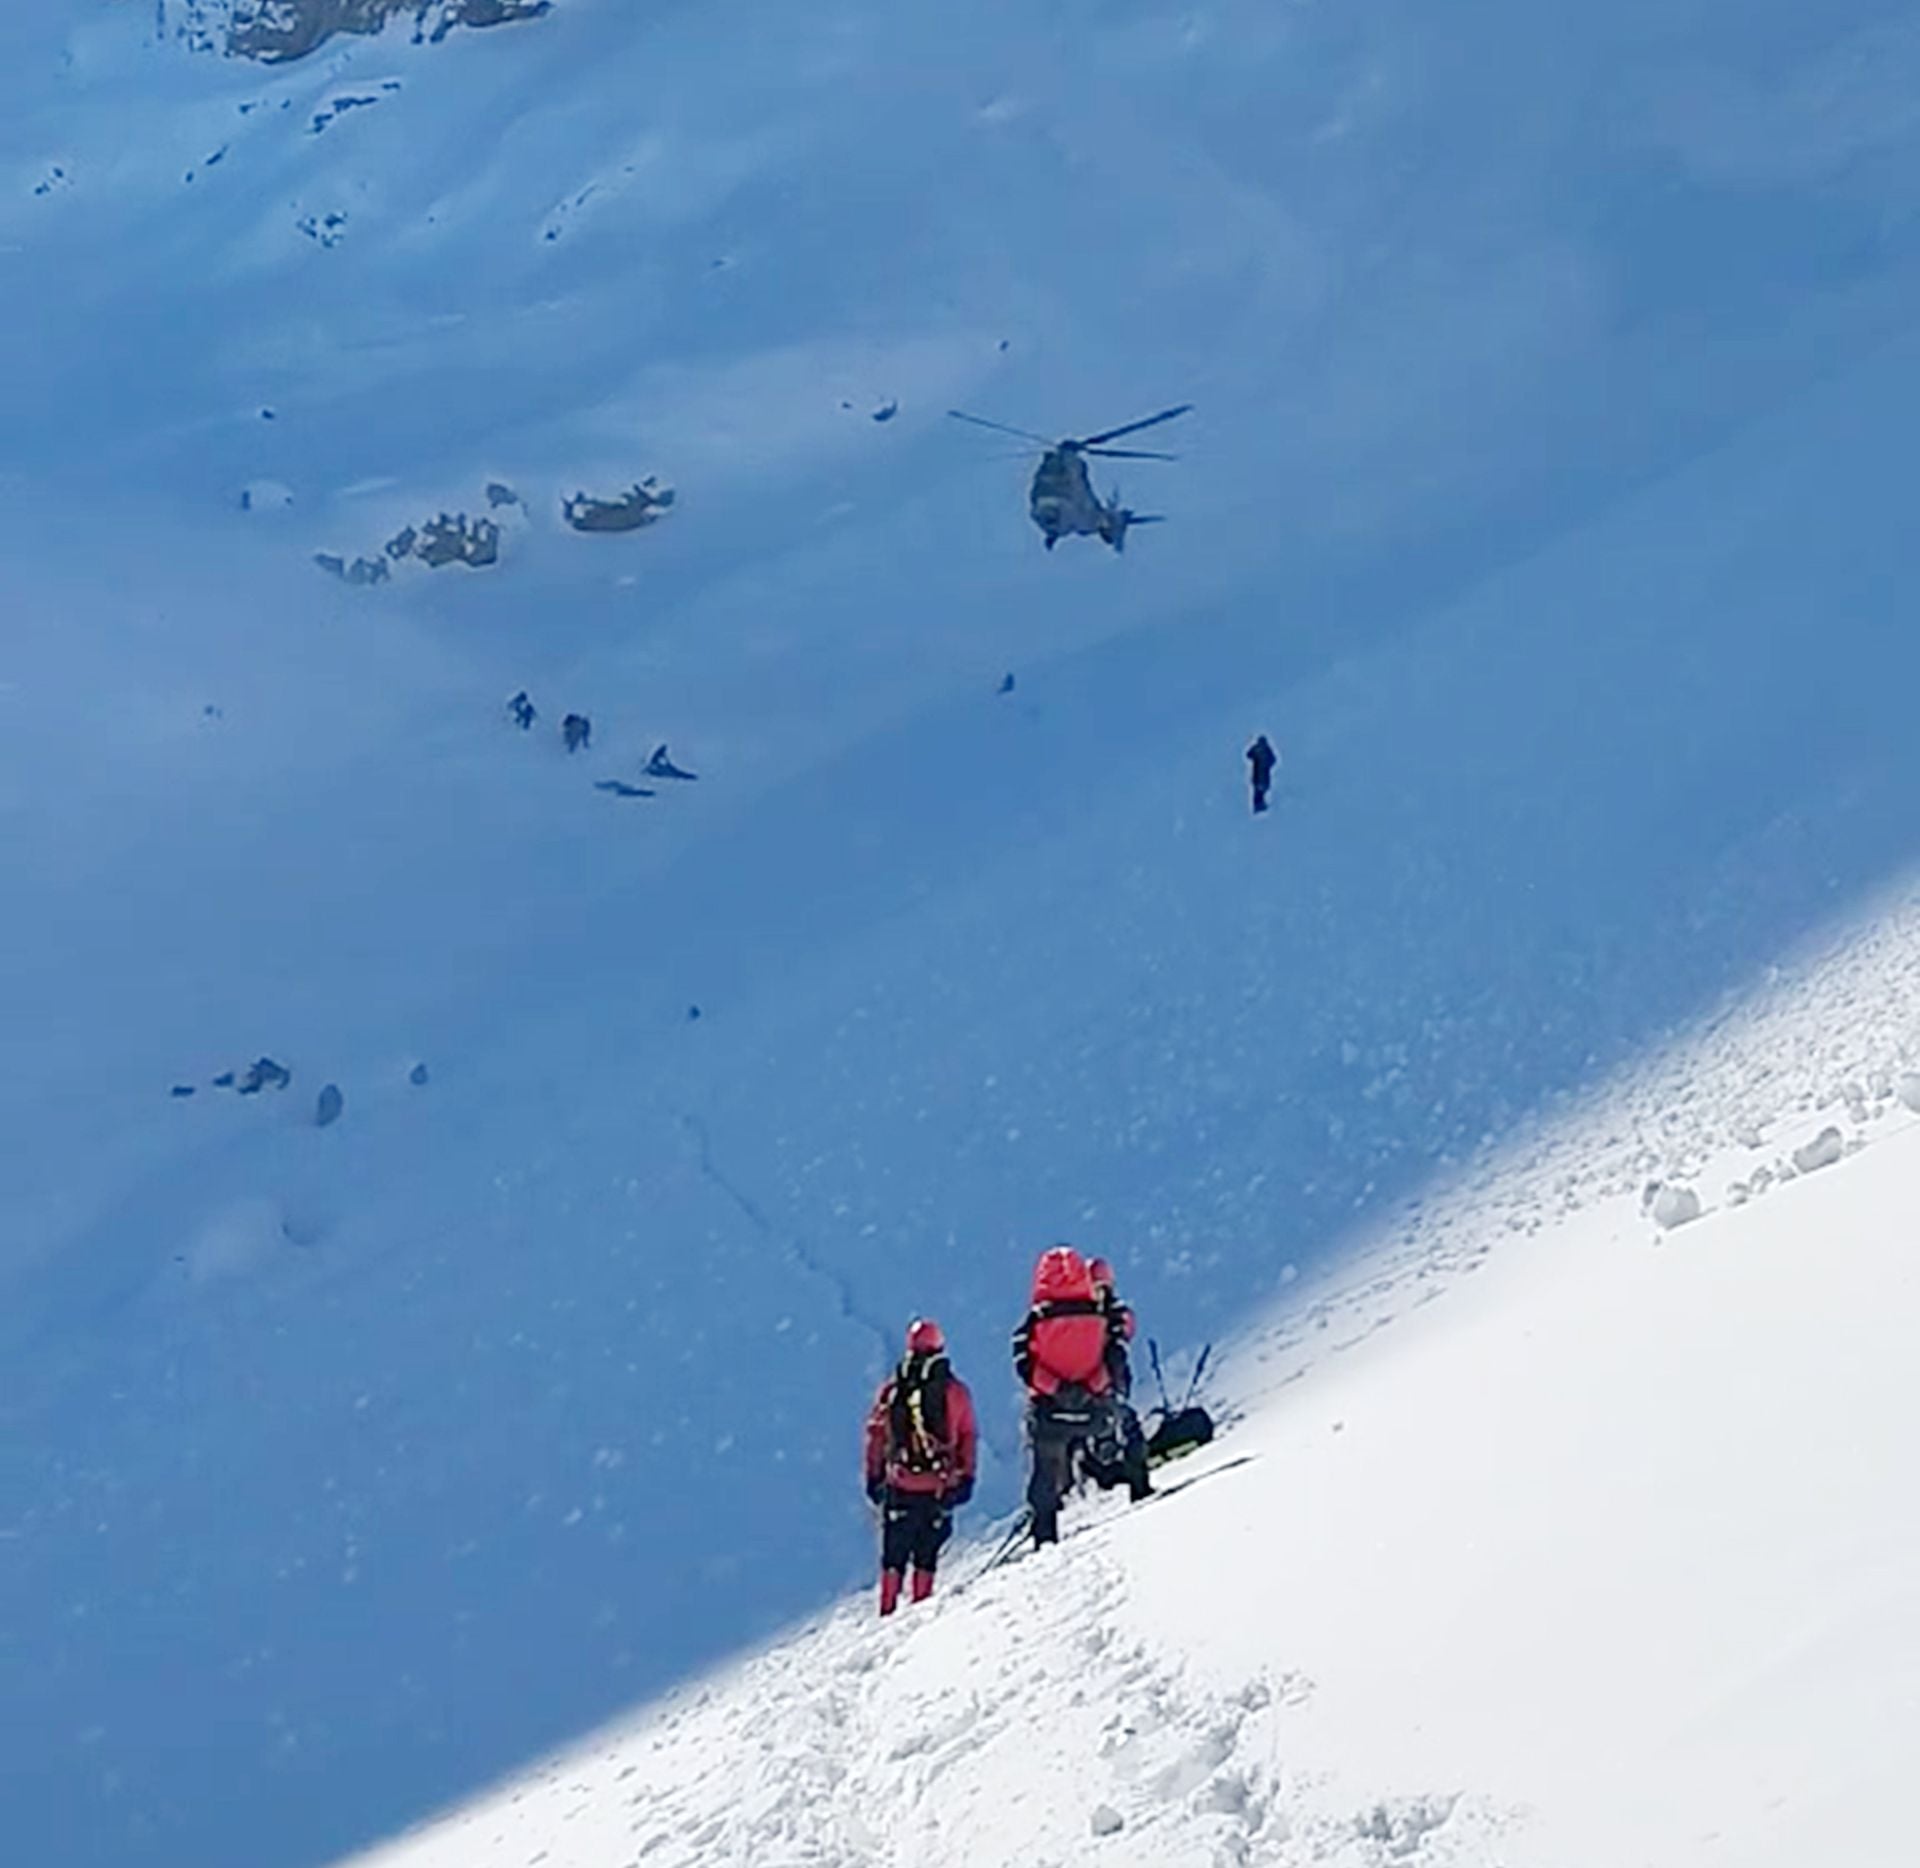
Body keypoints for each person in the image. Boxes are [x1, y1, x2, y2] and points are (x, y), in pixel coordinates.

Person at [1013, 1245, 1130, 1545]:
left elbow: (1025, 1365)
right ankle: (1135, 1486)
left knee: (1046, 1471)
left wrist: (1058, 1390)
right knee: (1114, 1440)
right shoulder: (1101, 1318)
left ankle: (1044, 1532)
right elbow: (1114, 1358)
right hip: (1093, 1407)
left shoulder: (1036, 1321)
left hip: (1049, 1412)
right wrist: (1090, 1387)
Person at [862, 1317, 977, 1615]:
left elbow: (876, 1435)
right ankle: (919, 1609)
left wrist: (875, 1476)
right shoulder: (955, 1392)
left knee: (893, 1556)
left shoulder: (892, 1391)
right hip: (939, 1486)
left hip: (900, 1484)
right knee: (926, 1554)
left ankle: (887, 1610)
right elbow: (967, 1436)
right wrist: (966, 1477)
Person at [1086, 1257, 1152, 1503]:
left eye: (1102, 1288)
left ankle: (1139, 1486)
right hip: (1094, 1389)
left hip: (1112, 1385)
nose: (1097, 1294)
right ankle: (1112, 1474)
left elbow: (1126, 1326)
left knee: (1127, 1430)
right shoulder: (1081, 1320)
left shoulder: (1115, 1316)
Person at [1246, 734, 1277, 814]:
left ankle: (1258, 806)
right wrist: (1268, 765)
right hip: (1263, 774)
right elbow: (1273, 760)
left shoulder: (1258, 749)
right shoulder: (1267, 749)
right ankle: (1260, 805)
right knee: (1261, 790)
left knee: (1257, 791)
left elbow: (1248, 755)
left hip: (1257, 774)